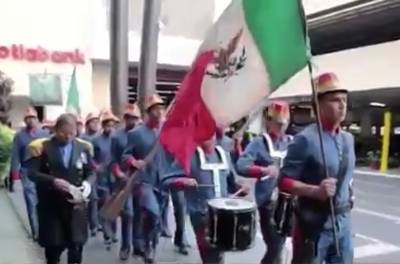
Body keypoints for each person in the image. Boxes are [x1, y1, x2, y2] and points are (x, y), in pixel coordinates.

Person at [279, 72, 355, 264]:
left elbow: (346, 175)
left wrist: (349, 192)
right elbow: (283, 181)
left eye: (344, 100)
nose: (342, 105)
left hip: (342, 223)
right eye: (335, 100)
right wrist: (314, 191)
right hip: (313, 224)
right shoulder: (305, 139)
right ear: (319, 105)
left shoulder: (348, 139)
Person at [160, 135, 248, 264]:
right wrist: (183, 181)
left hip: (224, 215)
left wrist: (241, 189)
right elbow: (166, 180)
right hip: (201, 214)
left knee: (218, 254)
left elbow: (231, 182)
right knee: (211, 256)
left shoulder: (224, 155)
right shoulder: (188, 156)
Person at [25, 113, 95, 264]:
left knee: (76, 247)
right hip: (52, 206)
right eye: (64, 133)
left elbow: (91, 172)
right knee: (54, 248)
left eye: (72, 133)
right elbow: (31, 173)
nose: (68, 137)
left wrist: (88, 183)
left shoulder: (83, 148)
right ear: (56, 131)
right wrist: (52, 181)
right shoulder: (43, 148)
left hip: (75, 206)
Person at [236, 101, 292, 264]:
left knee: (280, 245)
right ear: (269, 121)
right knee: (274, 245)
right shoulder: (259, 143)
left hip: (288, 203)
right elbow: (241, 165)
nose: (281, 127)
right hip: (268, 203)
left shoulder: (292, 142)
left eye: (284, 123)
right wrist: (263, 170)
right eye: (277, 123)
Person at [122, 94, 167, 263]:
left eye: (161, 108)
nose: (159, 112)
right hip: (142, 181)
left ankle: (149, 245)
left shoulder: (165, 132)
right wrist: (134, 161)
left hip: (161, 180)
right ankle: (144, 244)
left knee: (154, 216)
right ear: (149, 112)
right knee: (153, 212)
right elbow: (125, 157)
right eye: (156, 109)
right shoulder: (136, 133)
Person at [10, 107, 48, 240]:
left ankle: (45, 229)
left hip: (42, 171)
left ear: (37, 119)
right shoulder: (20, 136)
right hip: (27, 171)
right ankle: (36, 232)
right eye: (28, 118)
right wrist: (15, 176)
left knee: (43, 202)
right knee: (31, 202)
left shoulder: (44, 134)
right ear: (25, 121)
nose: (30, 121)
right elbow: (15, 156)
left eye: (32, 118)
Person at [110, 104, 142, 260]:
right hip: (123, 179)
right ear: (125, 119)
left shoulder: (142, 135)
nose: (133, 121)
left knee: (139, 213)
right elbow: (113, 159)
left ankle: (137, 245)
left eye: (135, 118)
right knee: (127, 213)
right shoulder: (117, 136)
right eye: (130, 118)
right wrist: (118, 173)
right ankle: (125, 246)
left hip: (140, 180)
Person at [91, 110, 118, 250]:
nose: (110, 128)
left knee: (115, 204)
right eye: (108, 125)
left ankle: (113, 230)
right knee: (106, 202)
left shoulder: (117, 138)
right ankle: (107, 232)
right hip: (101, 177)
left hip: (115, 176)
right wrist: (96, 166)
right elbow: (90, 158)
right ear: (103, 126)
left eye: (112, 125)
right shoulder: (95, 140)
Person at [80, 112, 100, 236]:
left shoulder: (100, 137)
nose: (96, 124)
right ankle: (91, 224)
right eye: (93, 122)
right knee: (90, 197)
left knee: (96, 199)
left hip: (100, 172)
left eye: (97, 122)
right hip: (86, 171)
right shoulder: (83, 139)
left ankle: (96, 223)